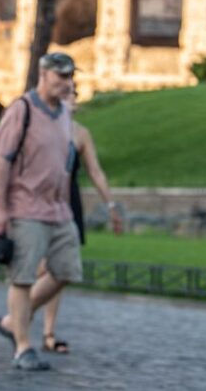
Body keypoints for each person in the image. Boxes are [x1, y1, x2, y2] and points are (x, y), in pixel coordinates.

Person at [0, 52, 109, 371]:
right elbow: (2, 161)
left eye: (70, 78)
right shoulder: (22, 110)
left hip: (60, 210)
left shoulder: (65, 116)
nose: (67, 84)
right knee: (23, 276)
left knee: (67, 270)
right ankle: (23, 346)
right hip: (25, 207)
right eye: (60, 77)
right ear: (43, 75)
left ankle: (13, 321)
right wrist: (0, 209)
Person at [39, 85, 123, 355]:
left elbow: (96, 172)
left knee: (58, 269)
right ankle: (19, 317)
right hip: (40, 200)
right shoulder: (41, 127)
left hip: (68, 202)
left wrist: (111, 205)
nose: (70, 98)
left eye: (73, 94)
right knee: (40, 268)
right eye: (65, 94)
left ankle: (48, 332)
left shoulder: (81, 133)